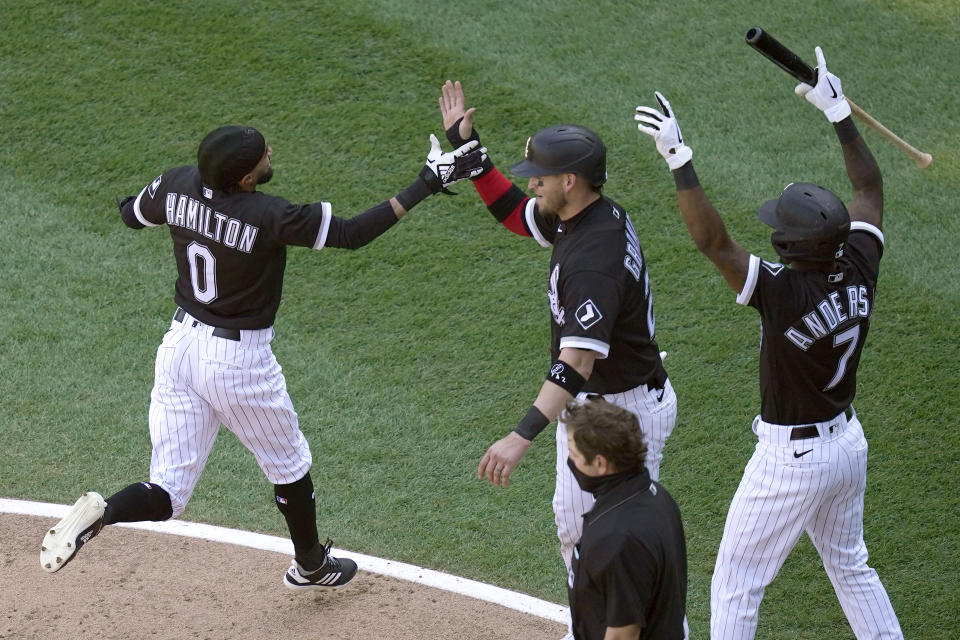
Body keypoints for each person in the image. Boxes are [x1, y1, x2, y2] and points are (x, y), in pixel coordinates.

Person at [39, 124, 486, 590]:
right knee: (289, 466)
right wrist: (429, 182)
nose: (269, 152)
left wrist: (181, 207)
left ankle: (104, 512)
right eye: (261, 155)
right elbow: (352, 234)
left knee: (168, 492)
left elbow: (132, 215)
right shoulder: (267, 215)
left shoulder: (177, 183)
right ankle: (311, 566)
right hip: (236, 363)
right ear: (248, 180)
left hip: (179, 348)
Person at [635, 46, 903, 639]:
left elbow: (716, 243)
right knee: (851, 565)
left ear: (789, 247)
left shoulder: (783, 294)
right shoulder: (858, 262)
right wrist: (839, 115)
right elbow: (870, 188)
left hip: (793, 463)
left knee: (736, 581)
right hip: (846, 444)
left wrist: (680, 159)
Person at [438, 81, 678, 592]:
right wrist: (468, 148)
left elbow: (578, 363)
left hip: (622, 413)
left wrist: (518, 436)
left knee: (618, 541)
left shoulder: (594, 255)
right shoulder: (585, 215)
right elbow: (516, 216)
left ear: (569, 180)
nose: (530, 186)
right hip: (598, 405)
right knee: (576, 532)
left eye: (538, 178)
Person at [564, 397, 687, 640]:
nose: (570, 460)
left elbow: (623, 634)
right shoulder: (654, 495)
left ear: (600, 463)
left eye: (574, 453)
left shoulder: (618, 538)